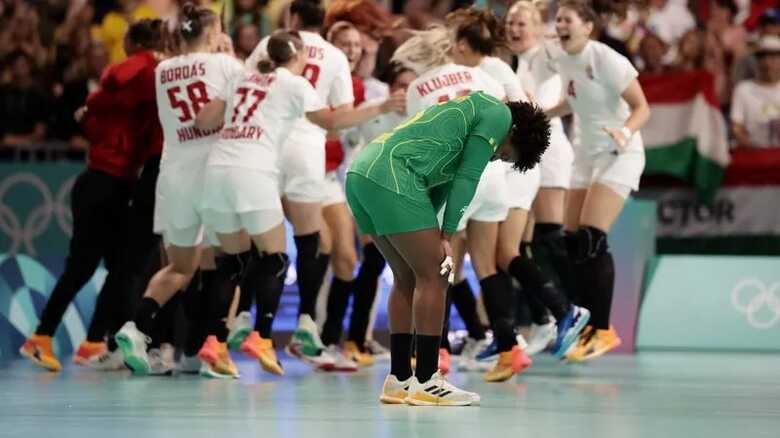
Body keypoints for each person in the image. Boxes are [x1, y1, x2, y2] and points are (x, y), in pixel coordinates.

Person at [196, 30, 403, 376]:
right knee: (276, 257)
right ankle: (261, 334)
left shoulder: (240, 76)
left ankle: (214, 343)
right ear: (299, 57)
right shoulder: (295, 84)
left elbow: (204, 120)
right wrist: (380, 106)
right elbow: (334, 124)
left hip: (216, 171)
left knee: (231, 262)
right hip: (254, 170)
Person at [347, 89, 550, 405]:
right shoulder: (499, 115)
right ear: (516, 133)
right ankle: (428, 381)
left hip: (363, 174)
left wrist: (438, 231)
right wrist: (447, 235)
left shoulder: (467, 123)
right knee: (438, 275)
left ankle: (399, 379)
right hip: (392, 176)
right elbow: (467, 179)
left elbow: (439, 187)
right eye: (507, 155)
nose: (499, 158)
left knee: (408, 278)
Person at [18, 19, 165, 372]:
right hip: (102, 183)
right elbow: (118, 76)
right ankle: (41, 338)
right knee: (83, 268)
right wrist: (153, 61)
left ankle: (94, 342)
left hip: (118, 183)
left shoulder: (120, 88)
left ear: (130, 42)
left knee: (120, 271)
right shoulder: (137, 73)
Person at [114, 3, 246, 379]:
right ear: (214, 31)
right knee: (232, 262)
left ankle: (136, 328)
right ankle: (214, 347)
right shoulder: (229, 66)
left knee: (181, 267)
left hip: (174, 176)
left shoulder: (162, 71)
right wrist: (232, 57)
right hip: (214, 173)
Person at [545, 0, 651, 362]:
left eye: (567, 20)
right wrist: (538, 115)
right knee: (571, 244)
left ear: (588, 26)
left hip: (620, 153)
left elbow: (643, 107)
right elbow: (573, 101)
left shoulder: (606, 58)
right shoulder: (563, 58)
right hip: (585, 156)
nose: (559, 25)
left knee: (591, 238)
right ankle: (586, 327)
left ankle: (603, 331)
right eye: (557, 19)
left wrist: (624, 132)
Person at [730, 35, 780, 147]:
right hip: (754, 156)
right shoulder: (743, 89)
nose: (767, 61)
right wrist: (754, 148)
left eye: (773, 56)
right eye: (762, 56)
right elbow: (737, 128)